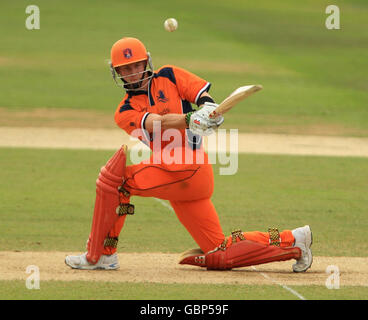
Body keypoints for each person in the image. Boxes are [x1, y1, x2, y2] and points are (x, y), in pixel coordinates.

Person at [65, 37, 313, 272]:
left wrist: (208, 110)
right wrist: (189, 118)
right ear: (116, 73)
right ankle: (295, 240)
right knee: (220, 251)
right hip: (177, 178)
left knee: (116, 182)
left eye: (135, 65)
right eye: (125, 69)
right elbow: (157, 122)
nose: (131, 73)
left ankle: (101, 255)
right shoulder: (125, 110)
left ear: (146, 63)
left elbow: (202, 96)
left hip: (188, 167)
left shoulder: (170, 75)